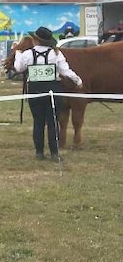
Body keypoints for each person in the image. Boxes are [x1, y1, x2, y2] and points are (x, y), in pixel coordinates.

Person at [13, 26, 83, 162]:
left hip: (34, 91)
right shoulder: (56, 54)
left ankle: (39, 152)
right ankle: (54, 153)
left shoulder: (27, 54)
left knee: (38, 122)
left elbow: (18, 68)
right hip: (53, 91)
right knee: (52, 122)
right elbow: (66, 71)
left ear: (35, 40)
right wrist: (78, 80)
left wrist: (17, 53)